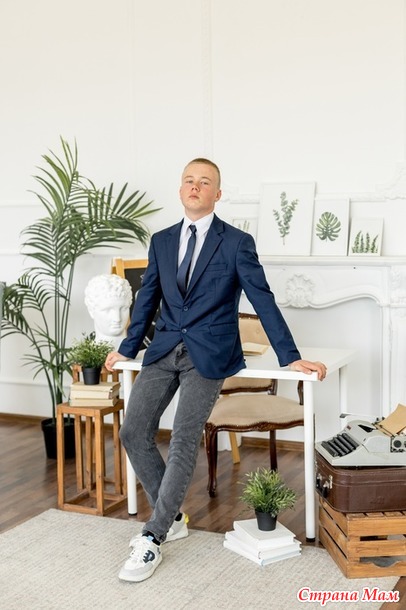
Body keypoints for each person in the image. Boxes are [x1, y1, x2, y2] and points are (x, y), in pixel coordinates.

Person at [105, 158, 327, 583]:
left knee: (184, 437)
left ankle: (153, 535)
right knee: (133, 431)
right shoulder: (162, 241)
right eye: (189, 180)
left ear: (217, 194)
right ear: (180, 189)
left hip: (209, 354)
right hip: (164, 349)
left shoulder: (236, 242)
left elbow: (262, 298)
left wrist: (289, 356)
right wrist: (127, 348)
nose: (195, 187)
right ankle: (172, 518)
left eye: (204, 182)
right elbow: (147, 299)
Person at [84, 274, 132, 351]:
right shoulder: (87, 355)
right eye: (108, 310)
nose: (117, 318)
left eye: (123, 309)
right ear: (91, 311)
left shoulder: (144, 351)